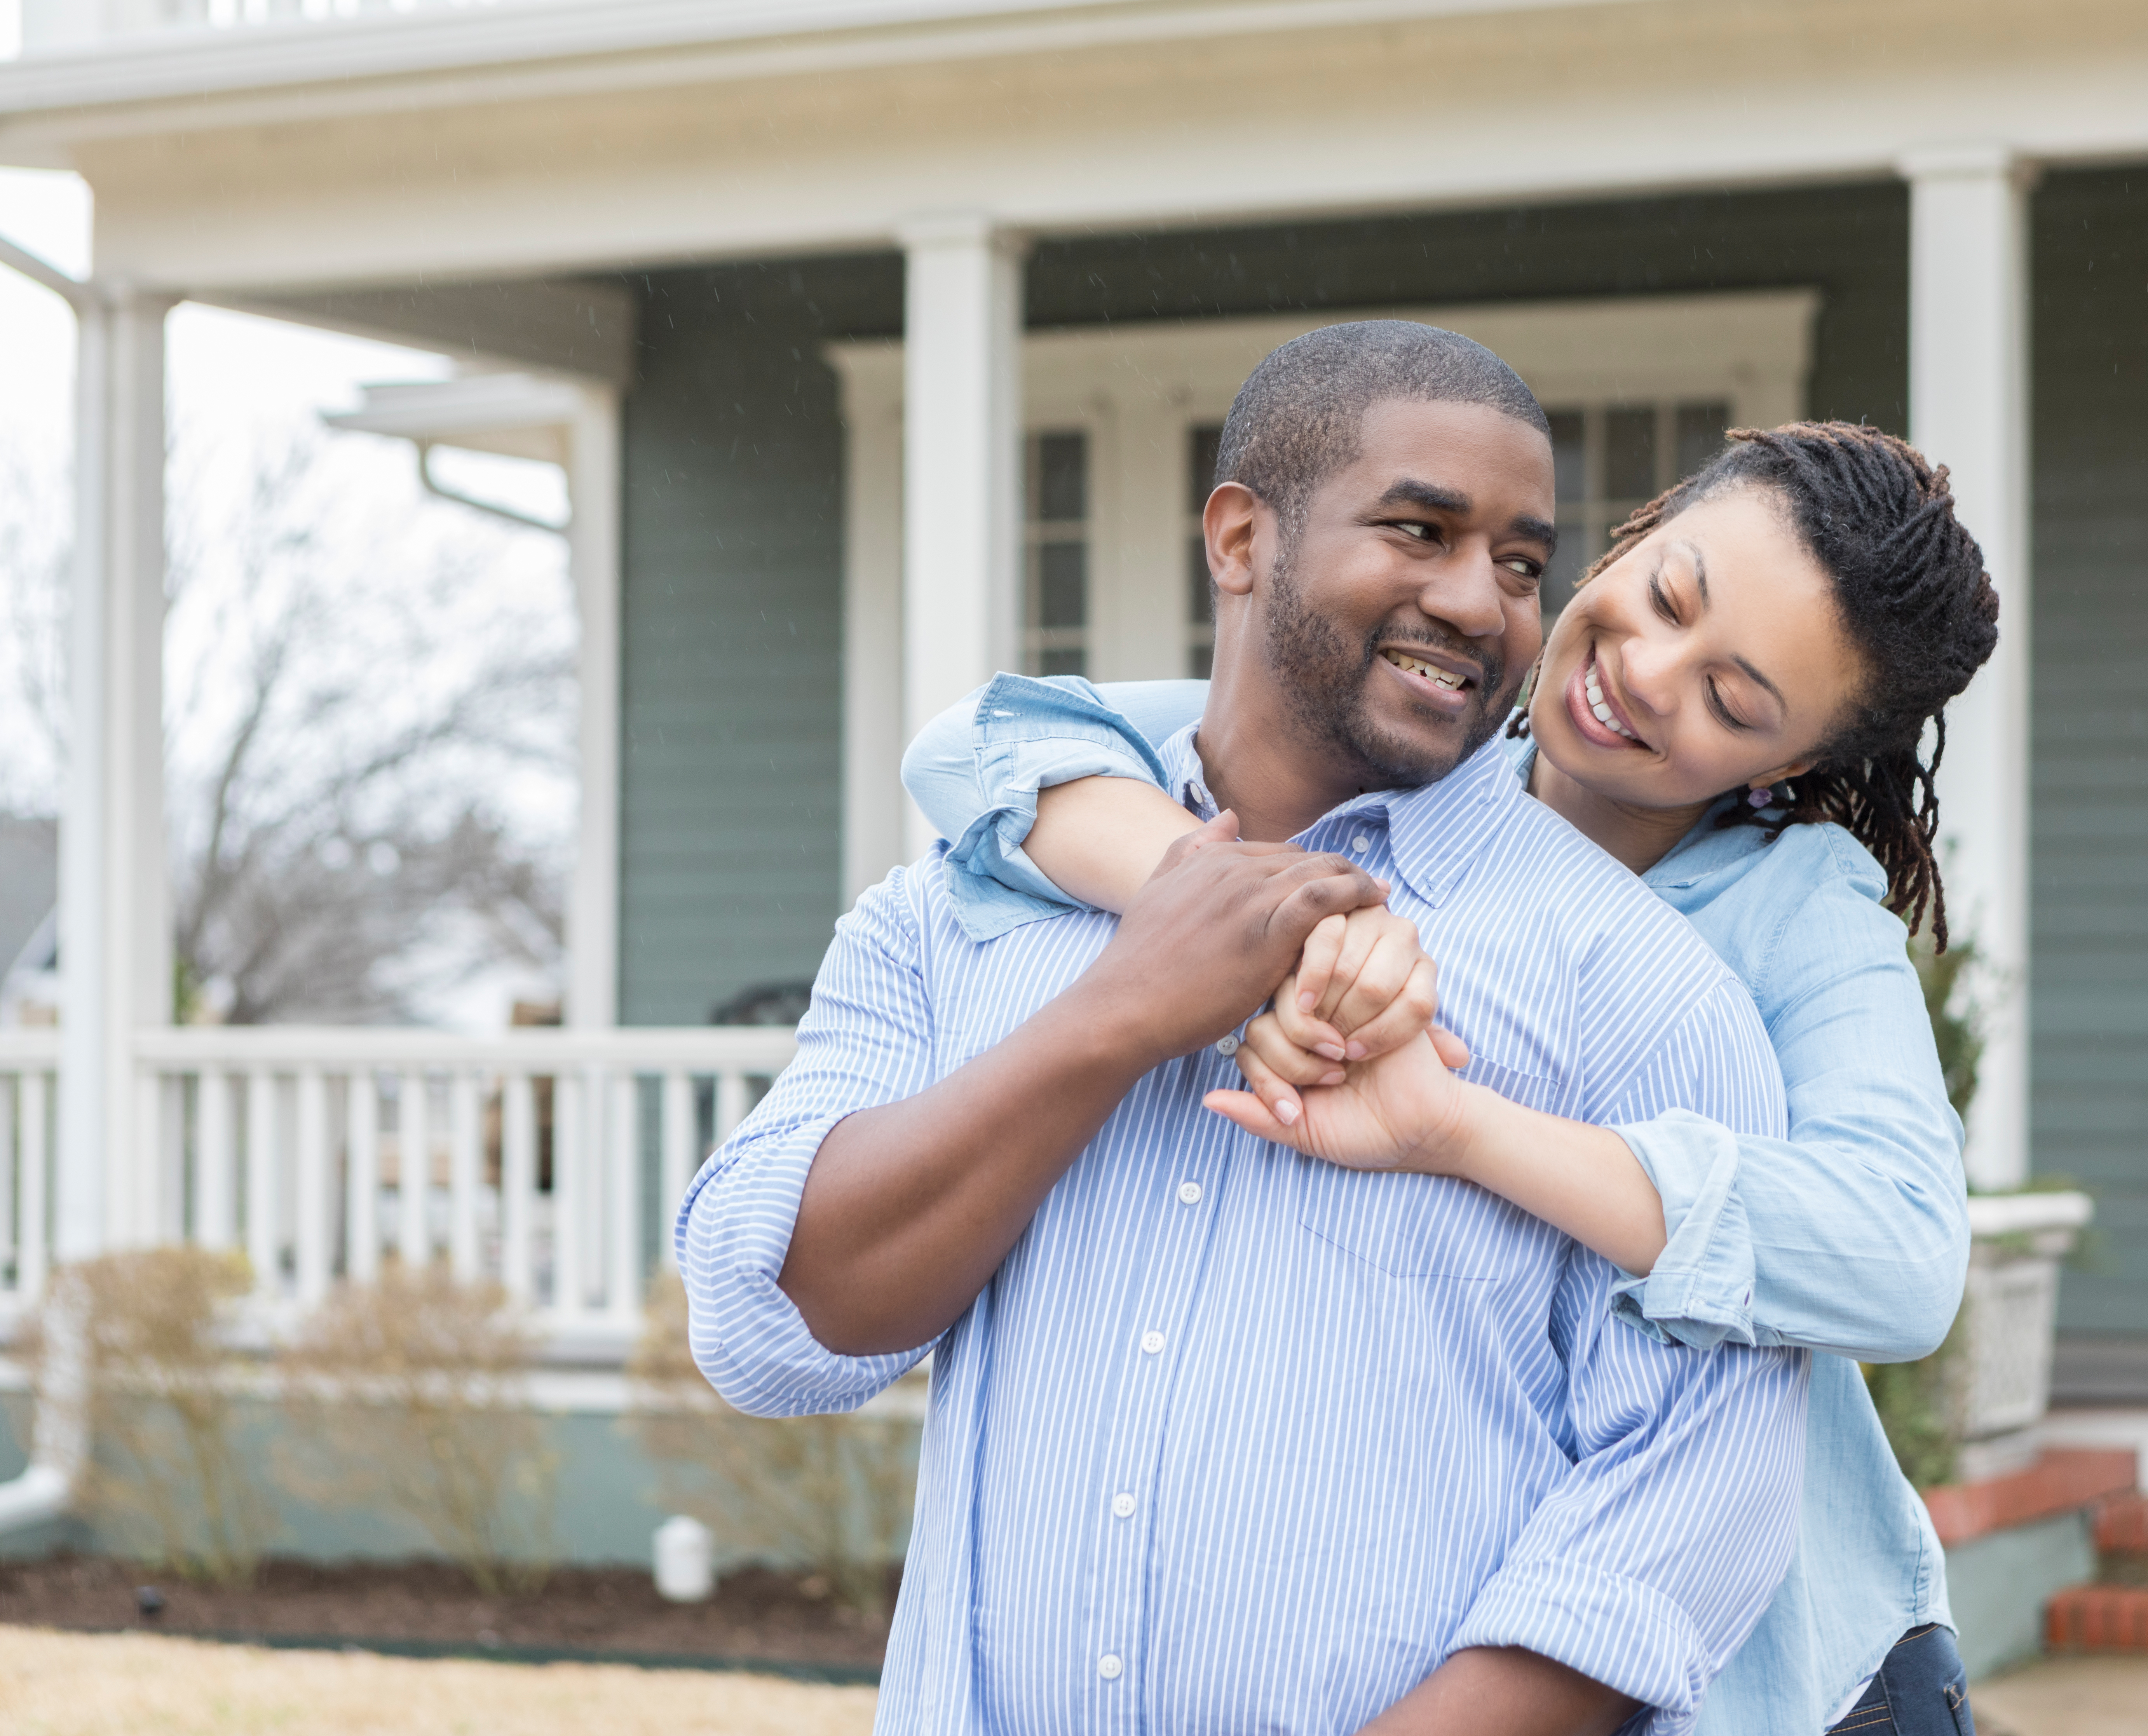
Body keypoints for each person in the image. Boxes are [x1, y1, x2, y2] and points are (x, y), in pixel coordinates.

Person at [681, 321, 1812, 1736]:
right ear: (1239, 540)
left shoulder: (1636, 986)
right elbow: (768, 1326)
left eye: (1522, 564)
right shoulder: (960, 912)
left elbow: (1687, 1512)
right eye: (1419, 530)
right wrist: (1116, 1017)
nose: (1480, 602)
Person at [904, 418, 2000, 1735]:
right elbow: (977, 749)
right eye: (1666, 596)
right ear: (1641, 531)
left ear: (1793, 764)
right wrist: (1263, 928)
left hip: (1789, 1687)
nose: (1647, 675)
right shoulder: (1410, 767)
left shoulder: (1795, 913)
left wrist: (1465, 1132)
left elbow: (1899, 1252)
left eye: (1733, 699)